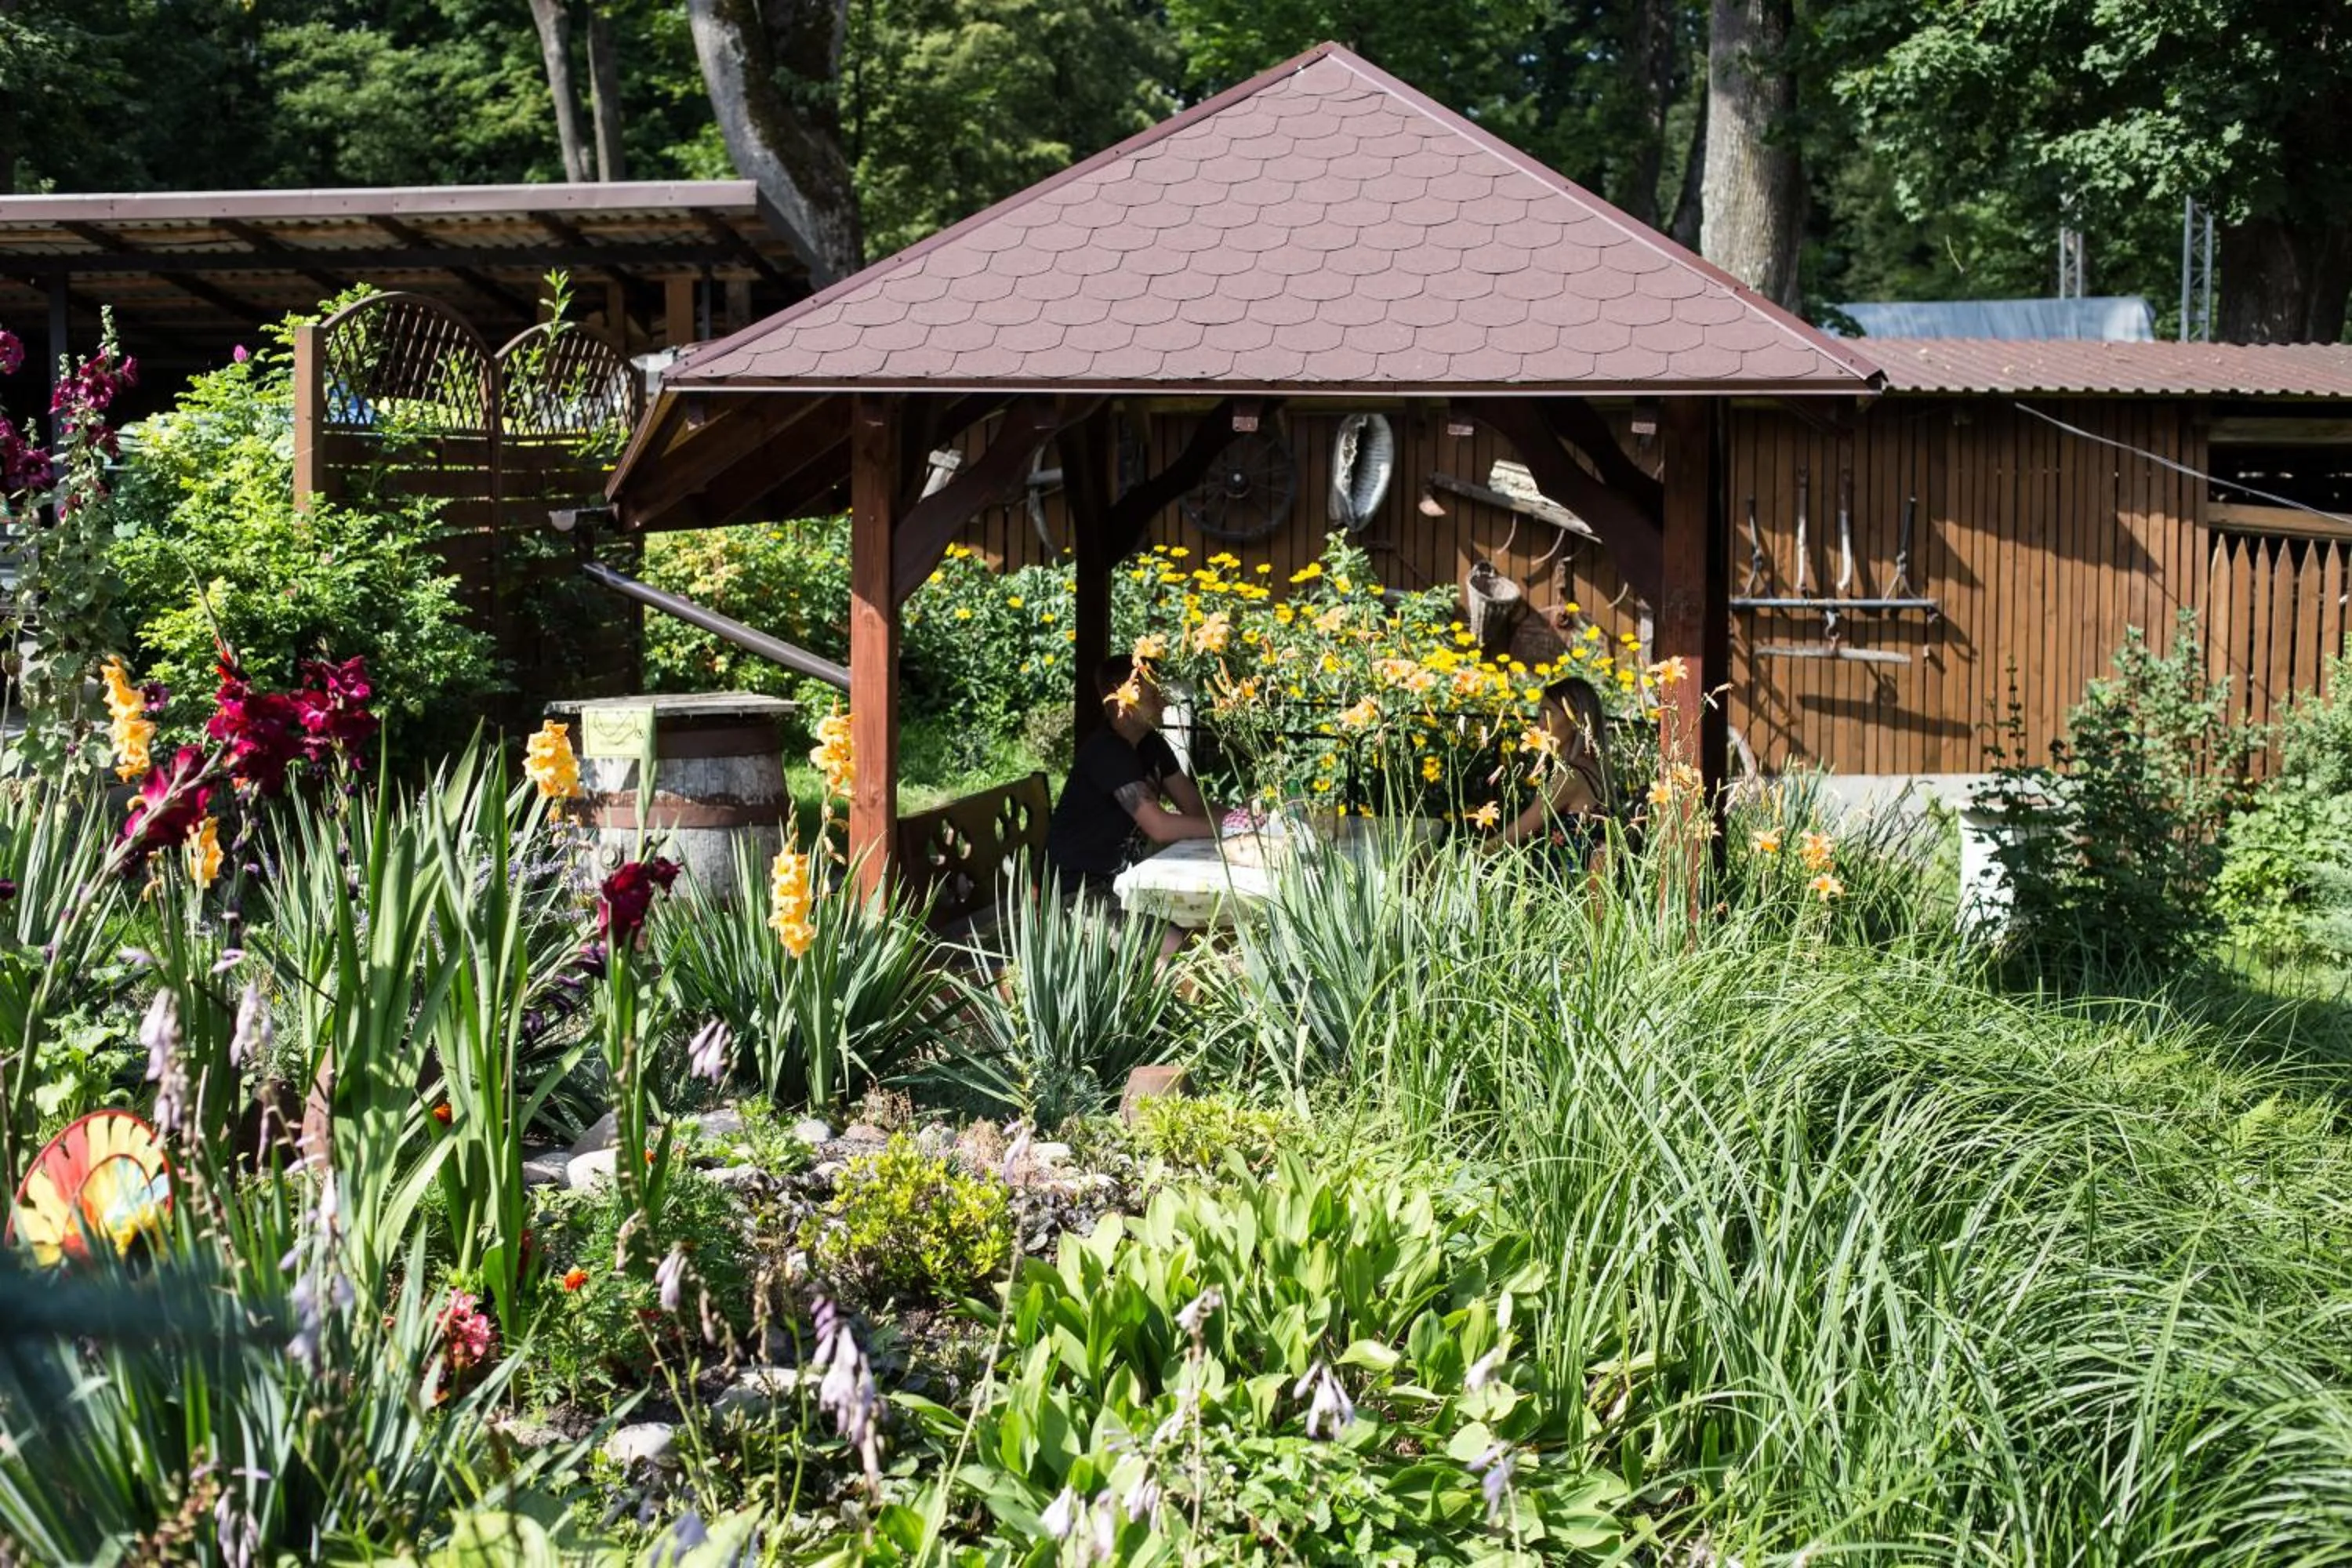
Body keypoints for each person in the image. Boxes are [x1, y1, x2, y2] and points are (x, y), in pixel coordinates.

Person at [1044, 655, 1216, 905]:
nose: (1165, 702)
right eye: (1154, 695)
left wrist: (1250, 822)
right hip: (1079, 893)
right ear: (1122, 697)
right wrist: (1233, 829)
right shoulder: (1107, 751)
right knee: (1176, 940)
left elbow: (1196, 807)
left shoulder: (1151, 743)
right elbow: (1159, 827)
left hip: (1123, 880)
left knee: (1204, 913)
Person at [1490, 675, 1614, 868]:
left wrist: (1459, 861)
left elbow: (1513, 836)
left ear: (1576, 720)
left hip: (1563, 892)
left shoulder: (1569, 778)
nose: (1539, 725)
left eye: (1547, 714)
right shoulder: (1591, 770)